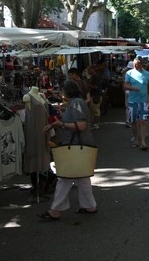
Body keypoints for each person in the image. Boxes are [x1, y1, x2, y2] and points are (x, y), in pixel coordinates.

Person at [38, 80, 97, 220]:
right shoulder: (75, 103)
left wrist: (61, 124)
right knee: (81, 177)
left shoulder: (76, 103)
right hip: (77, 146)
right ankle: (89, 205)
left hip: (75, 146)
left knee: (65, 177)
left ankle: (56, 210)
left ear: (66, 92)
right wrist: (56, 125)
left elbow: (81, 125)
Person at [124, 58, 149, 150]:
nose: (136, 66)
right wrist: (132, 88)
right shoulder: (129, 73)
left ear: (142, 64)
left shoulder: (147, 74)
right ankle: (136, 139)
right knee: (134, 122)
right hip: (132, 101)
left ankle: (143, 141)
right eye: (134, 64)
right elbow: (125, 86)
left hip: (143, 101)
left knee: (143, 121)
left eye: (138, 64)